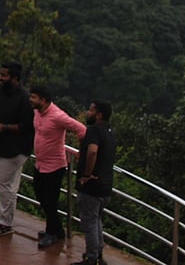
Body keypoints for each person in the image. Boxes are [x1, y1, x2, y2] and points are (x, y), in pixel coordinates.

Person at [29, 85, 87, 249]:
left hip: (54, 166)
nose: (31, 100)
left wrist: (81, 150)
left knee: (50, 200)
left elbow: (81, 128)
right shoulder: (37, 113)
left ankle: (52, 233)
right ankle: (57, 229)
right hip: (40, 164)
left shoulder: (58, 116)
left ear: (43, 100)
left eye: (34, 97)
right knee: (41, 196)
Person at [0, 61, 34, 237]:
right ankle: (4, 217)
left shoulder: (25, 99)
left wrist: (3, 128)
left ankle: (5, 222)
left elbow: (26, 126)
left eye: (4, 75)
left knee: (5, 185)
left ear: (15, 78)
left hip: (15, 149)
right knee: (5, 184)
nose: (0, 78)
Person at [73, 101, 116, 265]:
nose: (87, 112)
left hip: (92, 187)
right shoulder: (110, 132)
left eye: (91, 110)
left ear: (99, 115)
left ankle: (91, 259)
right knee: (96, 220)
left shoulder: (94, 131)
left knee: (89, 222)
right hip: (105, 186)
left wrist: (86, 175)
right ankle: (97, 255)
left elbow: (92, 151)